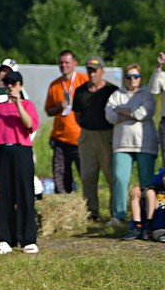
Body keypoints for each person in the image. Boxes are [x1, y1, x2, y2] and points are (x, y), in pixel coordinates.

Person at [0, 70, 38, 254]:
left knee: (25, 194)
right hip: (3, 150)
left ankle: (28, 238)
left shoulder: (27, 104)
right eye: (7, 84)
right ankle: (5, 238)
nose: (10, 87)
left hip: (21, 150)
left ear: (20, 85)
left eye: (13, 83)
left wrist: (18, 102)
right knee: (5, 195)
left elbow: (29, 124)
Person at [104, 63, 159, 237]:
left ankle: (145, 216)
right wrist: (130, 112)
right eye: (128, 77)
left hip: (145, 143)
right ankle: (119, 214)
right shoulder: (117, 94)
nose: (132, 80)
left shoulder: (147, 94)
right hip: (121, 144)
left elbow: (143, 113)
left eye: (135, 76)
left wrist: (122, 111)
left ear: (140, 78)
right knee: (120, 178)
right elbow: (110, 116)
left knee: (146, 182)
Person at [73, 57, 118, 223]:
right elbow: (77, 116)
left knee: (111, 174)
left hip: (106, 135)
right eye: (89, 70)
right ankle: (92, 212)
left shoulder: (111, 90)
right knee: (88, 175)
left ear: (102, 71)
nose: (92, 73)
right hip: (87, 135)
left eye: (95, 70)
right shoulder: (80, 91)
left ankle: (116, 212)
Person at [43, 49, 87, 195]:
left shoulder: (83, 80)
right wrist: (58, 108)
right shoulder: (54, 85)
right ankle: (64, 210)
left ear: (75, 63)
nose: (64, 66)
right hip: (60, 139)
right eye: (61, 63)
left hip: (80, 138)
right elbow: (48, 111)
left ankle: (92, 208)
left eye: (67, 62)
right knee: (61, 179)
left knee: (86, 176)